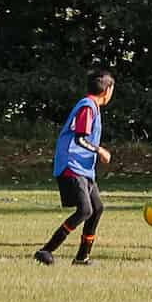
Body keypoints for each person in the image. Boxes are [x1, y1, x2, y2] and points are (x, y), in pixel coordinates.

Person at [37, 70, 114, 266]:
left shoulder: (92, 107)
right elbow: (80, 138)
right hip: (72, 166)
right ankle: (46, 250)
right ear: (107, 90)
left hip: (84, 169)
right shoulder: (87, 107)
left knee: (97, 208)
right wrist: (99, 151)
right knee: (85, 210)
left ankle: (82, 257)